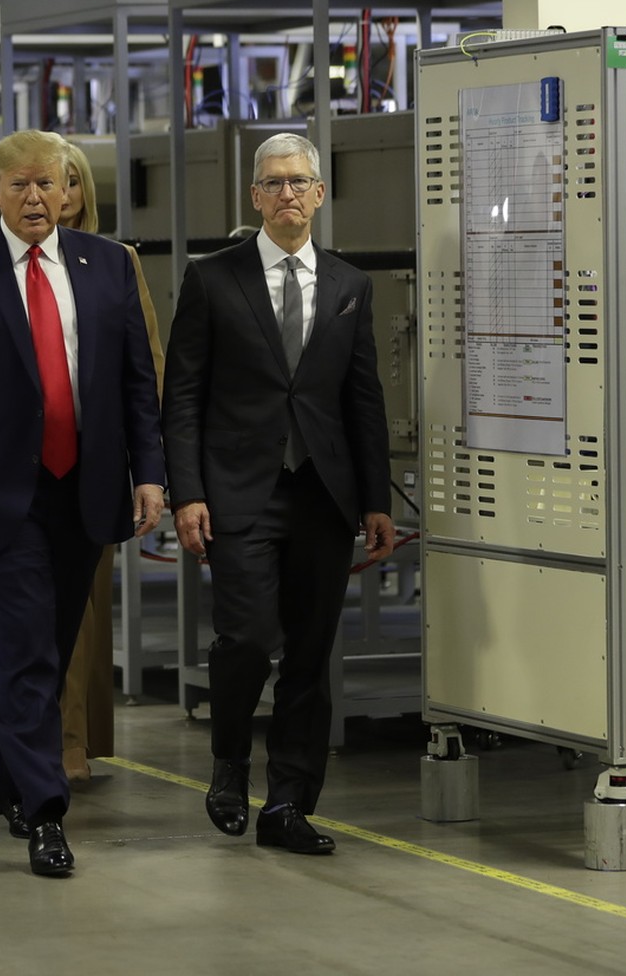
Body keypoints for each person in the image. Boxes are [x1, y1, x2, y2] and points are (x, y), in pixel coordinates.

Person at [0, 129, 164, 877]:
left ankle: (1, 778)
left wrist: (148, 473)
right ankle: (46, 812)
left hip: (83, 489)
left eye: (48, 184)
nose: (36, 198)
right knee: (24, 648)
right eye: (19, 185)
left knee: (50, 647)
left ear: (68, 190)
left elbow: (135, 384)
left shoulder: (108, 266)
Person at [162, 133, 395, 857]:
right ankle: (230, 760)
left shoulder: (350, 286)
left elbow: (364, 400)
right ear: (255, 197)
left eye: (300, 182)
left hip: (322, 494)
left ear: (320, 195)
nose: (288, 193)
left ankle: (288, 803)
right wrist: (187, 493)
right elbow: (184, 397)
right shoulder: (212, 279)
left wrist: (376, 498)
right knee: (248, 639)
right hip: (240, 491)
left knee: (310, 654)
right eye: (274, 183)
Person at [54, 141, 165, 785]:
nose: (58, 193)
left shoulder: (116, 262)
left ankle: (75, 733)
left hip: (96, 465)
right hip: (27, 463)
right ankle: (52, 733)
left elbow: (146, 367)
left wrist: (146, 467)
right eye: (44, 180)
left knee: (85, 607)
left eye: (69, 181)